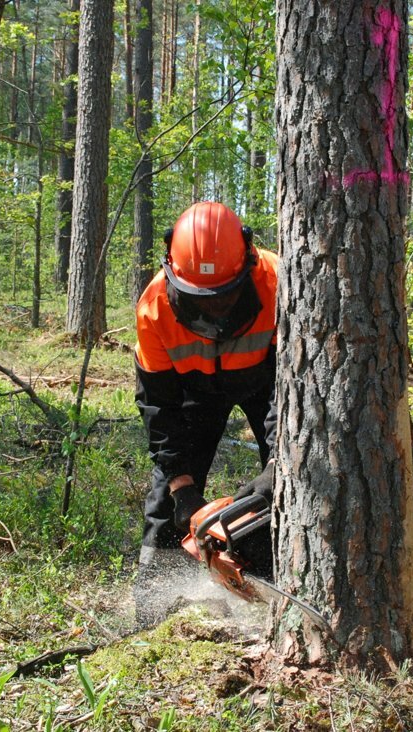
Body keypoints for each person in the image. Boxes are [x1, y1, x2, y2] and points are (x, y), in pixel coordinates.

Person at [132, 201, 276, 624]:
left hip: (265, 382)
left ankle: (277, 590)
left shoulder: (279, 284)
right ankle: (150, 613)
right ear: (172, 269)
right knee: (164, 503)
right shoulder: (154, 309)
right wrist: (183, 489)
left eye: (223, 296)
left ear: (248, 261)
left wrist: (280, 466)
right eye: (200, 299)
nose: (213, 309)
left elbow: (299, 390)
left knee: (292, 485)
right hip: (194, 388)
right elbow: (159, 406)